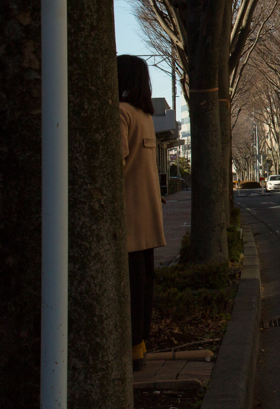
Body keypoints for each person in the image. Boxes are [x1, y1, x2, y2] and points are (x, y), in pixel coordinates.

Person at [117, 55, 167, 371]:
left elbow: (116, 161)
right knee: (143, 287)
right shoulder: (145, 116)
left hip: (127, 220)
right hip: (149, 220)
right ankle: (140, 346)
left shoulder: (121, 113)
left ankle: (132, 349)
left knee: (130, 289)